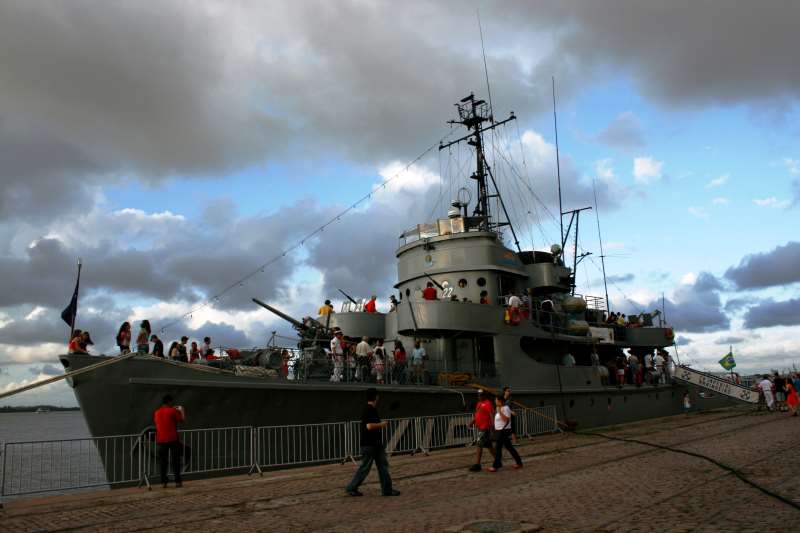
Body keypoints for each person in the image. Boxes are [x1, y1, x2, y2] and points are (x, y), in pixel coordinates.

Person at [345, 388, 400, 497]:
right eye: (377, 396)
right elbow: (369, 426)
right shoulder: (369, 409)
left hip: (375, 444)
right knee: (366, 468)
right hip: (370, 444)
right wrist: (382, 425)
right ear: (375, 397)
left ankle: (387, 490)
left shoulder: (370, 409)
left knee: (382, 466)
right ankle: (351, 487)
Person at [154, 394, 186, 488]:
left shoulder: (157, 412)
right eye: (172, 402)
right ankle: (177, 482)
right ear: (169, 402)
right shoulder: (173, 410)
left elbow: (158, 422)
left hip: (160, 440)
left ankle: (163, 482)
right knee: (175, 461)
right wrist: (182, 410)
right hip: (172, 439)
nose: (172, 404)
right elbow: (182, 420)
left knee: (163, 462)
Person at [489, 396, 523, 472]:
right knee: (509, 447)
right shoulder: (499, 408)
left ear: (500, 401)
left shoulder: (505, 408)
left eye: (496, 400)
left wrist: (500, 412)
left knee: (498, 448)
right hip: (499, 431)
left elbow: (506, 419)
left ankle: (496, 466)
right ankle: (519, 462)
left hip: (503, 431)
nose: (495, 401)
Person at [468, 390, 495, 471]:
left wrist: (493, 427)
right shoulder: (479, 403)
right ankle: (498, 460)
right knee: (489, 446)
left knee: (479, 444)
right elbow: (477, 415)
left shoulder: (488, 403)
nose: (479, 396)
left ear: (484, 396)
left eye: (481, 395)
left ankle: (477, 464)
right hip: (480, 427)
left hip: (485, 428)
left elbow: (491, 415)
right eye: (478, 395)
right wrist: (471, 422)